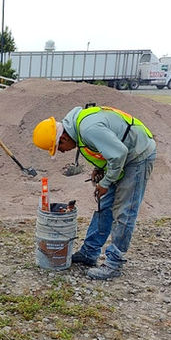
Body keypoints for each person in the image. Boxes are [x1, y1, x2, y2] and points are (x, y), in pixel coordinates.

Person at [32, 105, 156, 280]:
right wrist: (100, 168)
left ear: (64, 138)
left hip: (138, 156)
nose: (63, 151)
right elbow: (106, 148)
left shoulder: (88, 129)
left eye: (59, 148)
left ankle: (114, 264)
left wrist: (105, 182)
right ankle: (89, 253)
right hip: (122, 158)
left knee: (125, 211)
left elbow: (119, 154)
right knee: (104, 206)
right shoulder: (78, 130)